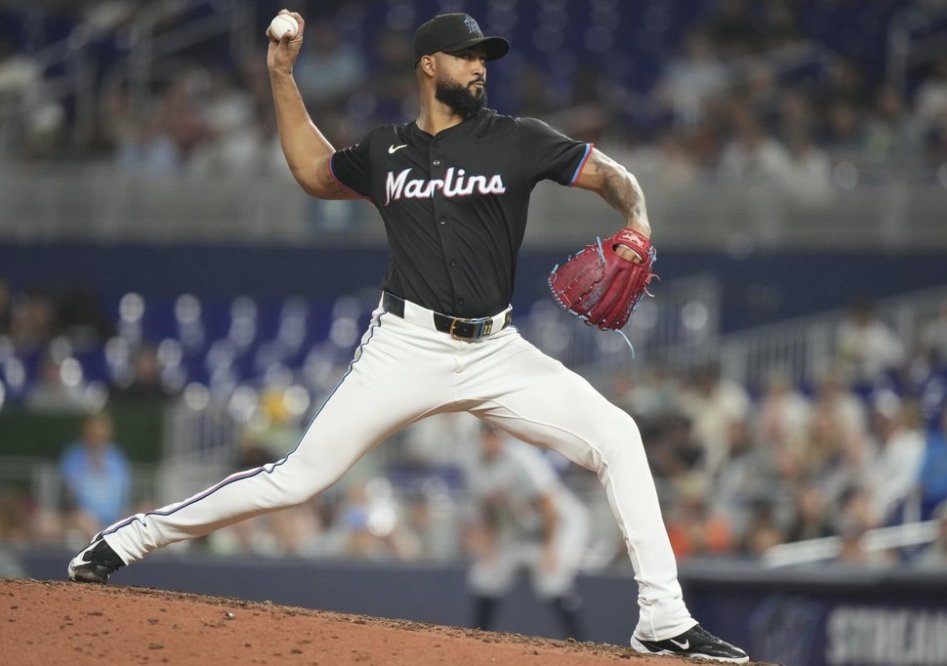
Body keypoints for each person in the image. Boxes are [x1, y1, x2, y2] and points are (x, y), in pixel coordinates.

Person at [68, 12, 748, 662]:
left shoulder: (518, 138)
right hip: (406, 346)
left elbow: (613, 177)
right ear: (430, 65)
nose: (481, 68)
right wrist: (281, 74)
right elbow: (314, 170)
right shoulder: (387, 150)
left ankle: (663, 620)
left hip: (496, 351)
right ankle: (129, 539)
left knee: (618, 437)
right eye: (469, 55)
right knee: (298, 480)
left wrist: (639, 222)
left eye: (486, 58)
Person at [464, 425, 589, 639]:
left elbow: (548, 503)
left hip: (559, 526)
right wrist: (487, 542)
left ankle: (582, 646)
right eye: (486, 435)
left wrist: (551, 549)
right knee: (485, 576)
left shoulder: (522, 459)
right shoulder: (476, 465)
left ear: (503, 436)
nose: (490, 440)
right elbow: (487, 509)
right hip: (519, 531)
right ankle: (477, 641)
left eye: (494, 434)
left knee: (552, 581)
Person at [59, 412, 132, 542]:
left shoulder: (117, 457)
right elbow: (68, 496)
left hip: (115, 519)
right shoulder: (73, 456)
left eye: (100, 431)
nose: (96, 435)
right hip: (82, 519)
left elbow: (124, 494)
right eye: (93, 431)